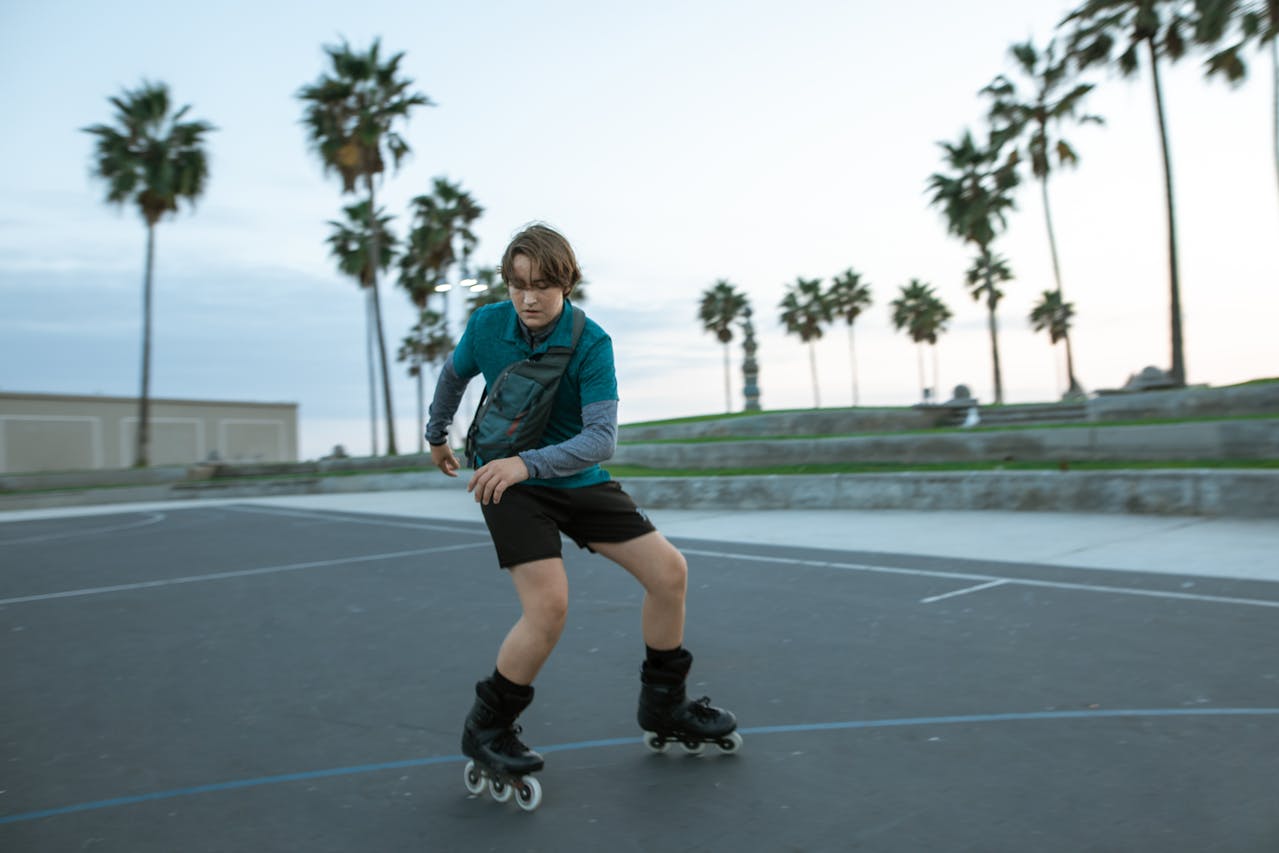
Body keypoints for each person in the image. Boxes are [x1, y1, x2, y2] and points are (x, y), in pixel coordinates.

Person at [426, 223, 739, 793]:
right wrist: (436, 434)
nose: (528, 298)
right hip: (506, 481)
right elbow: (453, 376)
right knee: (549, 607)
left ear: (566, 283)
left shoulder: (591, 342)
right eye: (518, 284)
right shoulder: (488, 325)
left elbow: (601, 439)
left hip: (570, 473)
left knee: (669, 573)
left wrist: (532, 462)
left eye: (542, 285)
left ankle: (665, 705)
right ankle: (488, 729)